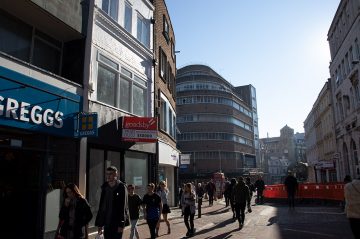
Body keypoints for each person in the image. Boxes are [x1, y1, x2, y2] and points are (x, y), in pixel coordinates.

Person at [95, 166, 128, 239]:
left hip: (117, 223)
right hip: (107, 222)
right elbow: (101, 206)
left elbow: (123, 206)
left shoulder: (121, 187)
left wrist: (121, 224)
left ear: (116, 175)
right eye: (107, 174)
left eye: (111, 174)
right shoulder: (104, 187)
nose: (108, 176)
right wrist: (100, 224)